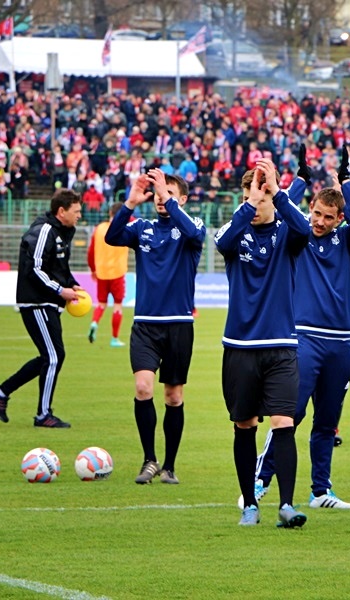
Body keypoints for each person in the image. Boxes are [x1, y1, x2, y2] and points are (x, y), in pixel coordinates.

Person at [252, 146, 350, 510]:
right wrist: (300, 180)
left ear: (338, 219)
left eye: (327, 217)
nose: (318, 221)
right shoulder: (297, 236)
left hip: (340, 344)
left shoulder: (348, 239)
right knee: (293, 413)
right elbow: (283, 208)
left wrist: (346, 181)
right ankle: (260, 480)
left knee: (327, 422)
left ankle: (320, 491)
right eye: (315, 213)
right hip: (303, 339)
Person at [214, 158, 311, 528]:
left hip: (282, 347)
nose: (255, 202)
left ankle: (287, 505)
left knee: (283, 422)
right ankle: (250, 505)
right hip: (239, 347)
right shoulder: (235, 232)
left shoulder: (287, 233)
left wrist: (278, 192)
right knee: (245, 425)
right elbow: (222, 240)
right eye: (248, 196)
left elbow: (303, 229)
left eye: (261, 195)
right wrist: (250, 202)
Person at [105, 168, 205, 484]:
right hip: (146, 325)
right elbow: (112, 237)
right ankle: (149, 460)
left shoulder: (193, 226)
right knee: (143, 387)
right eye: (159, 194)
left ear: (183, 199)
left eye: (170, 194)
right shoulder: (143, 229)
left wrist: (166, 196)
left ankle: (170, 466)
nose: (162, 199)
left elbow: (194, 235)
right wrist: (131, 203)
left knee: (173, 397)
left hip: (178, 325)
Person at [0, 189, 83, 428]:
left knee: (49, 357)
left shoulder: (63, 232)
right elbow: (34, 269)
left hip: (48, 303)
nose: (80, 216)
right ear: (62, 211)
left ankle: (1, 393)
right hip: (37, 302)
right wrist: (60, 290)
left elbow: (59, 266)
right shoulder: (43, 231)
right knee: (54, 356)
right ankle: (43, 414)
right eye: (77, 211)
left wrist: (71, 283)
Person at [87, 202, 128, 347]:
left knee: (101, 303)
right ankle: (114, 339)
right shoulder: (124, 228)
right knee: (117, 305)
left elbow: (91, 251)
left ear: (110, 213)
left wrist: (93, 269)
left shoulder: (99, 229)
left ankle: (94, 323)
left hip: (102, 272)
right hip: (117, 272)